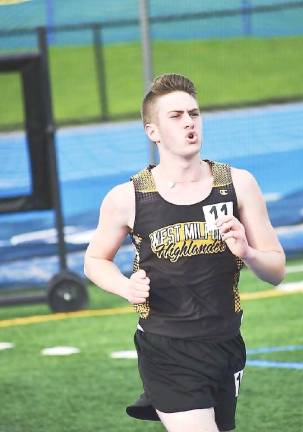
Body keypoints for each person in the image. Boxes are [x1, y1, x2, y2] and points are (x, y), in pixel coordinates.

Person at [84, 73, 285, 432]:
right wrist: (124, 287)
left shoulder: (237, 184)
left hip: (226, 342)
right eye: (175, 116)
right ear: (153, 131)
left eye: (193, 113)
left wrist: (249, 252)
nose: (189, 122)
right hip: (166, 348)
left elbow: (276, 270)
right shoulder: (127, 197)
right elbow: (94, 260)